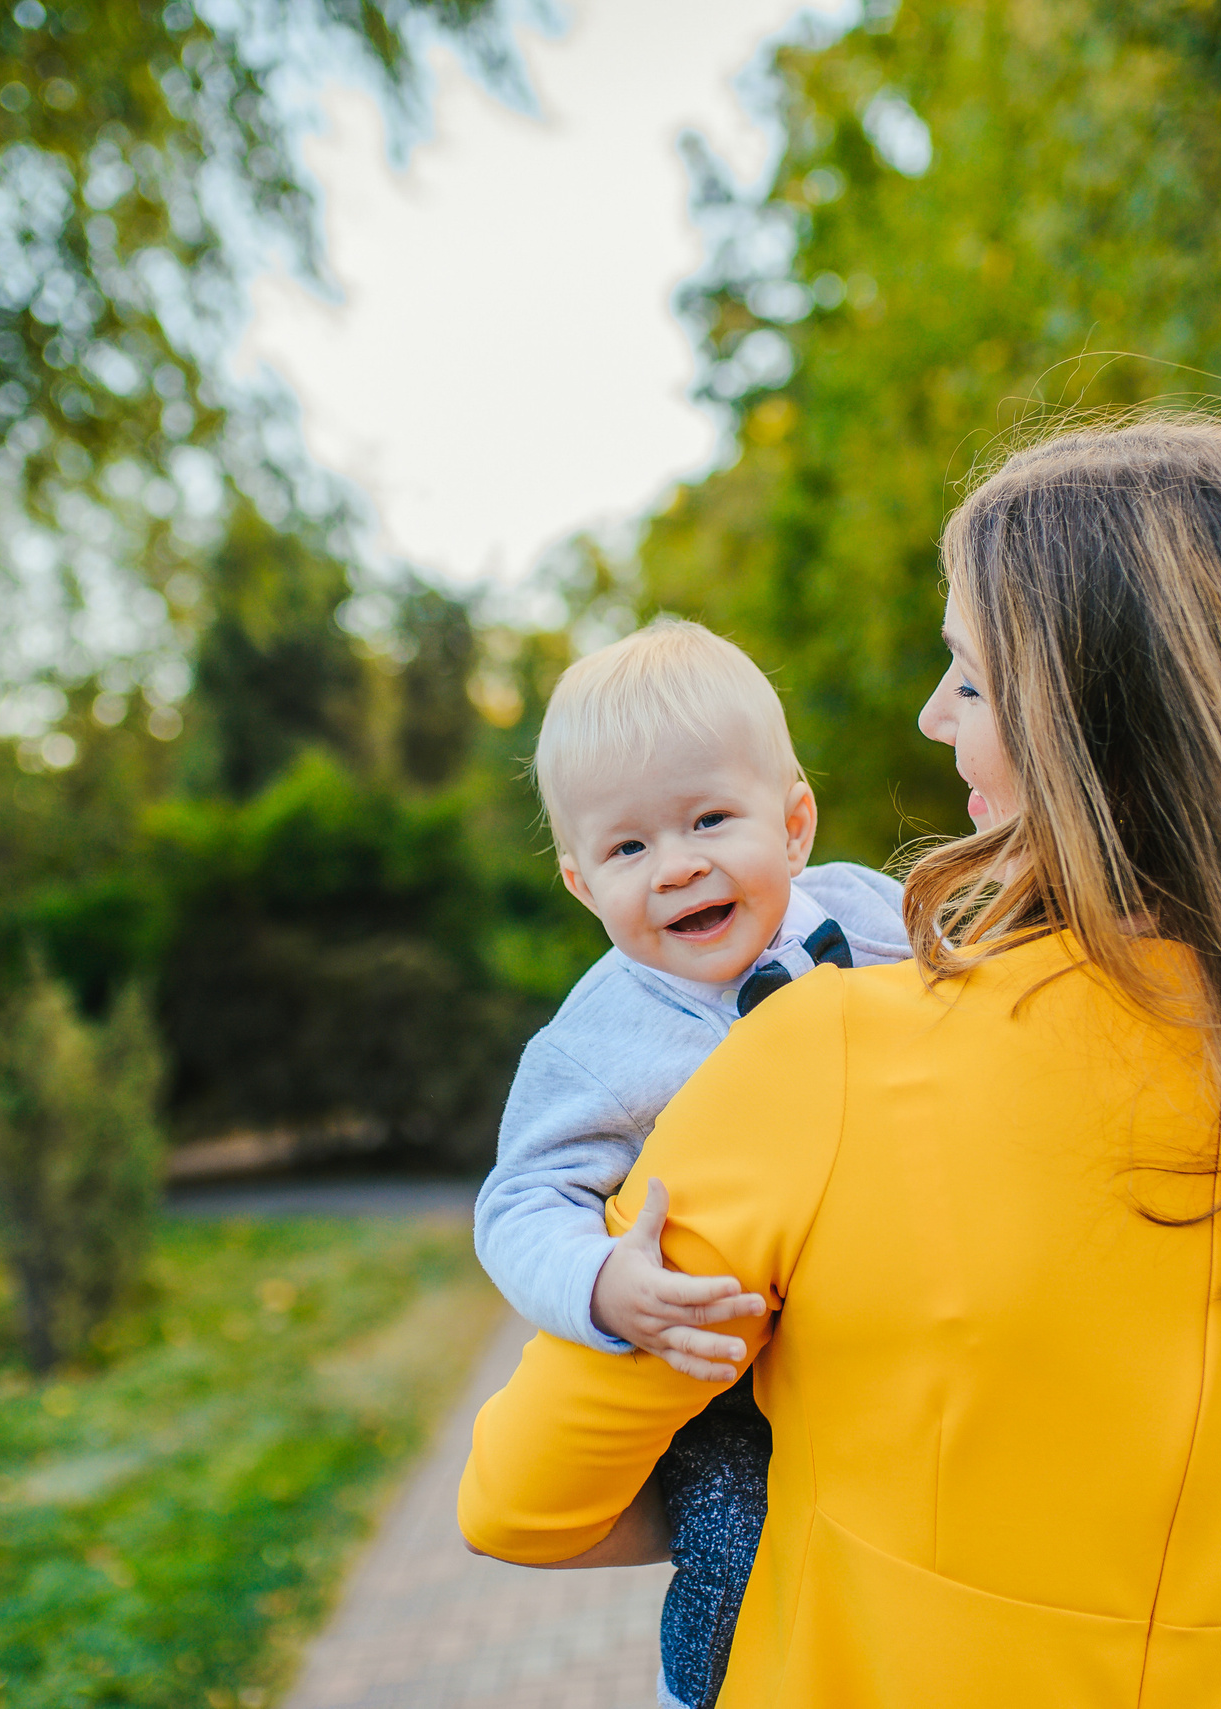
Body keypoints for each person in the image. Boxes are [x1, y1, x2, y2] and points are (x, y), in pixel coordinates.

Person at [459, 417, 1221, 1707]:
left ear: (1096, 726)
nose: (930, 714)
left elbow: (522, 1503)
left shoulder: (817, 1056)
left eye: (969, 678)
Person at [471, 616, 912, 1709]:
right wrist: (603, 1285)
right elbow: (521, 1199)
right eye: (628, 848)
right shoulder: (595, 1040)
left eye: (710, 817)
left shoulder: (874, 914)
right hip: (725, 1368)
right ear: (581, 884)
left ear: (795, 820)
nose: (677, 866)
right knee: (733, 1525)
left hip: (892, 1317)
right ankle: (699, 1690)